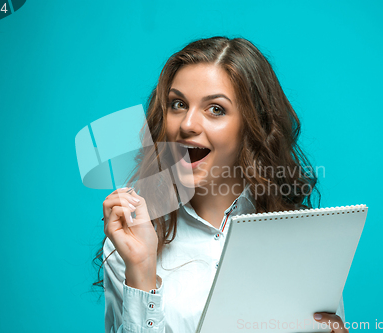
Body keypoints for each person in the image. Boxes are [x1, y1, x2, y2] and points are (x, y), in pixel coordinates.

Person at [94, 36, 347, 333]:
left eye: (215, 109)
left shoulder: (309, 239)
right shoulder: (133, 239)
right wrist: (141, 271)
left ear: (252, 127)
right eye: (178, 104)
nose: (187, 124)